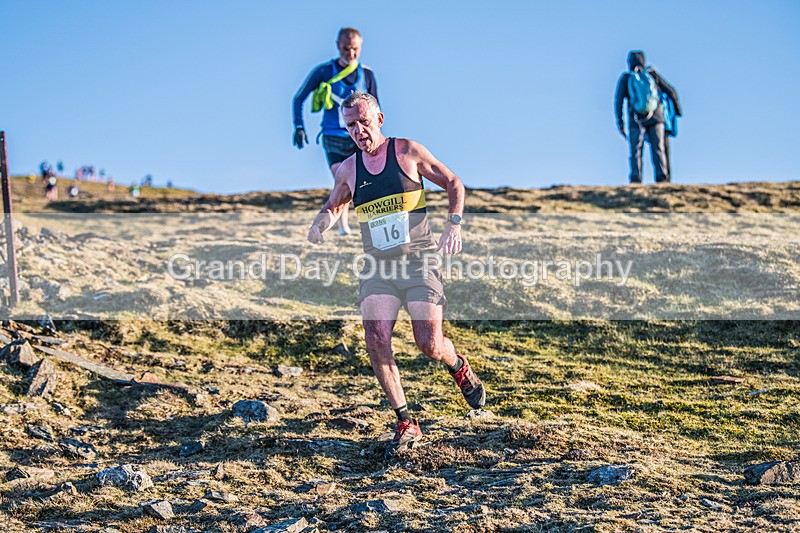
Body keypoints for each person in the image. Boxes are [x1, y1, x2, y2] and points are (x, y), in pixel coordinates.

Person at [306, 92, 486, 458]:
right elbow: (334, 204)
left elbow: (454, 183)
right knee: (375, 335)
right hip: (378, 268)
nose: (358, 131)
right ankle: (405, 419)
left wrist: (454, 224)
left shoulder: (406, 152)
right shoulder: (348, 169)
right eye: (351, 126)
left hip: (419, 263)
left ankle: (458, 365)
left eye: (363, 122)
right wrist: (319, 224)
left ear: (380, 119)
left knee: (429, 344)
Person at [293, 27, 379, 236]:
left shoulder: (366, 75)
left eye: (355, 49)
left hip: (358, 137)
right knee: (344, 178)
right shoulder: (324, 72)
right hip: (332, 136)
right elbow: (298, 98)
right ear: (338, 46)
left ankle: (356, 223)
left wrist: (377, 137)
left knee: (358, 180)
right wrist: (299, 127)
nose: (350, 53)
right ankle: (343, 226)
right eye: (346, 48)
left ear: (361, 47)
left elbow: (376, 108)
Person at [614, 50, 682, 184]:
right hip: (657, 118)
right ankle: (662, 179)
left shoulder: (626, 78)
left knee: (636, 151)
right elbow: (672, 91)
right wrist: (677, 111)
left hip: (636, 120)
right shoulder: (652, 75)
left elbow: (618, 101)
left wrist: (620, 123)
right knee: (658, 149)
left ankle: (636, 180)